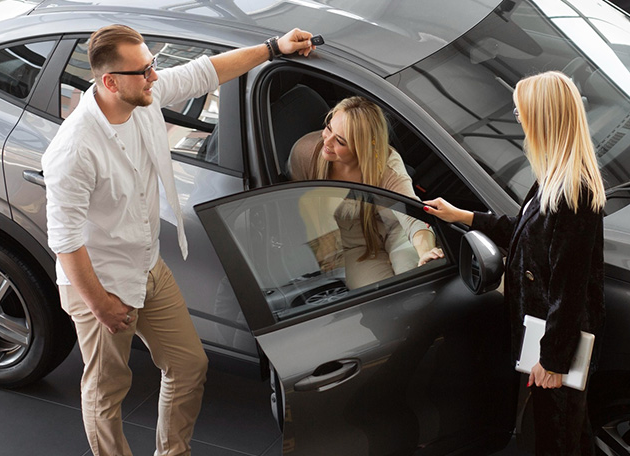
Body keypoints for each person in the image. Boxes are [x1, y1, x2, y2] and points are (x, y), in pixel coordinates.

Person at [43, 24, 315, 456]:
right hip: (101, 282)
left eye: (152, 65)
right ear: (110, 81)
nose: (154, 76)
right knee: (106, 391)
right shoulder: (73, 151)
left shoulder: (142, 94)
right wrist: (101, 305)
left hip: (148, 265)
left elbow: (204, 72)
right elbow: (66, 242)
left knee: (189, 365)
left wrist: (271, 48)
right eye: (143, 71)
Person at [423, 71, 605, 456]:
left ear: (543, 119)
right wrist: (464, 216)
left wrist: (552, 361)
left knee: (557, 439)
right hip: (543, 340)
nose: (518, 119)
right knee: (567, 434)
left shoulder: (573, 194)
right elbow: (524, 233)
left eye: (523, 113)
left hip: (553, 347)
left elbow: (568, 288)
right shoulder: (554, 180)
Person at [288, 96, 444, 289]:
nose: (327, 142)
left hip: (397, 232)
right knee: (379, 299)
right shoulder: (305, 155)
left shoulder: (387, 165)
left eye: (340, 141)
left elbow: (412, 216)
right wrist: (324, 250)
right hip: (355, 246)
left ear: (362, 147)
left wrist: (427, 251)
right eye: (328, 128)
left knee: (417, 282)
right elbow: (299, 205)